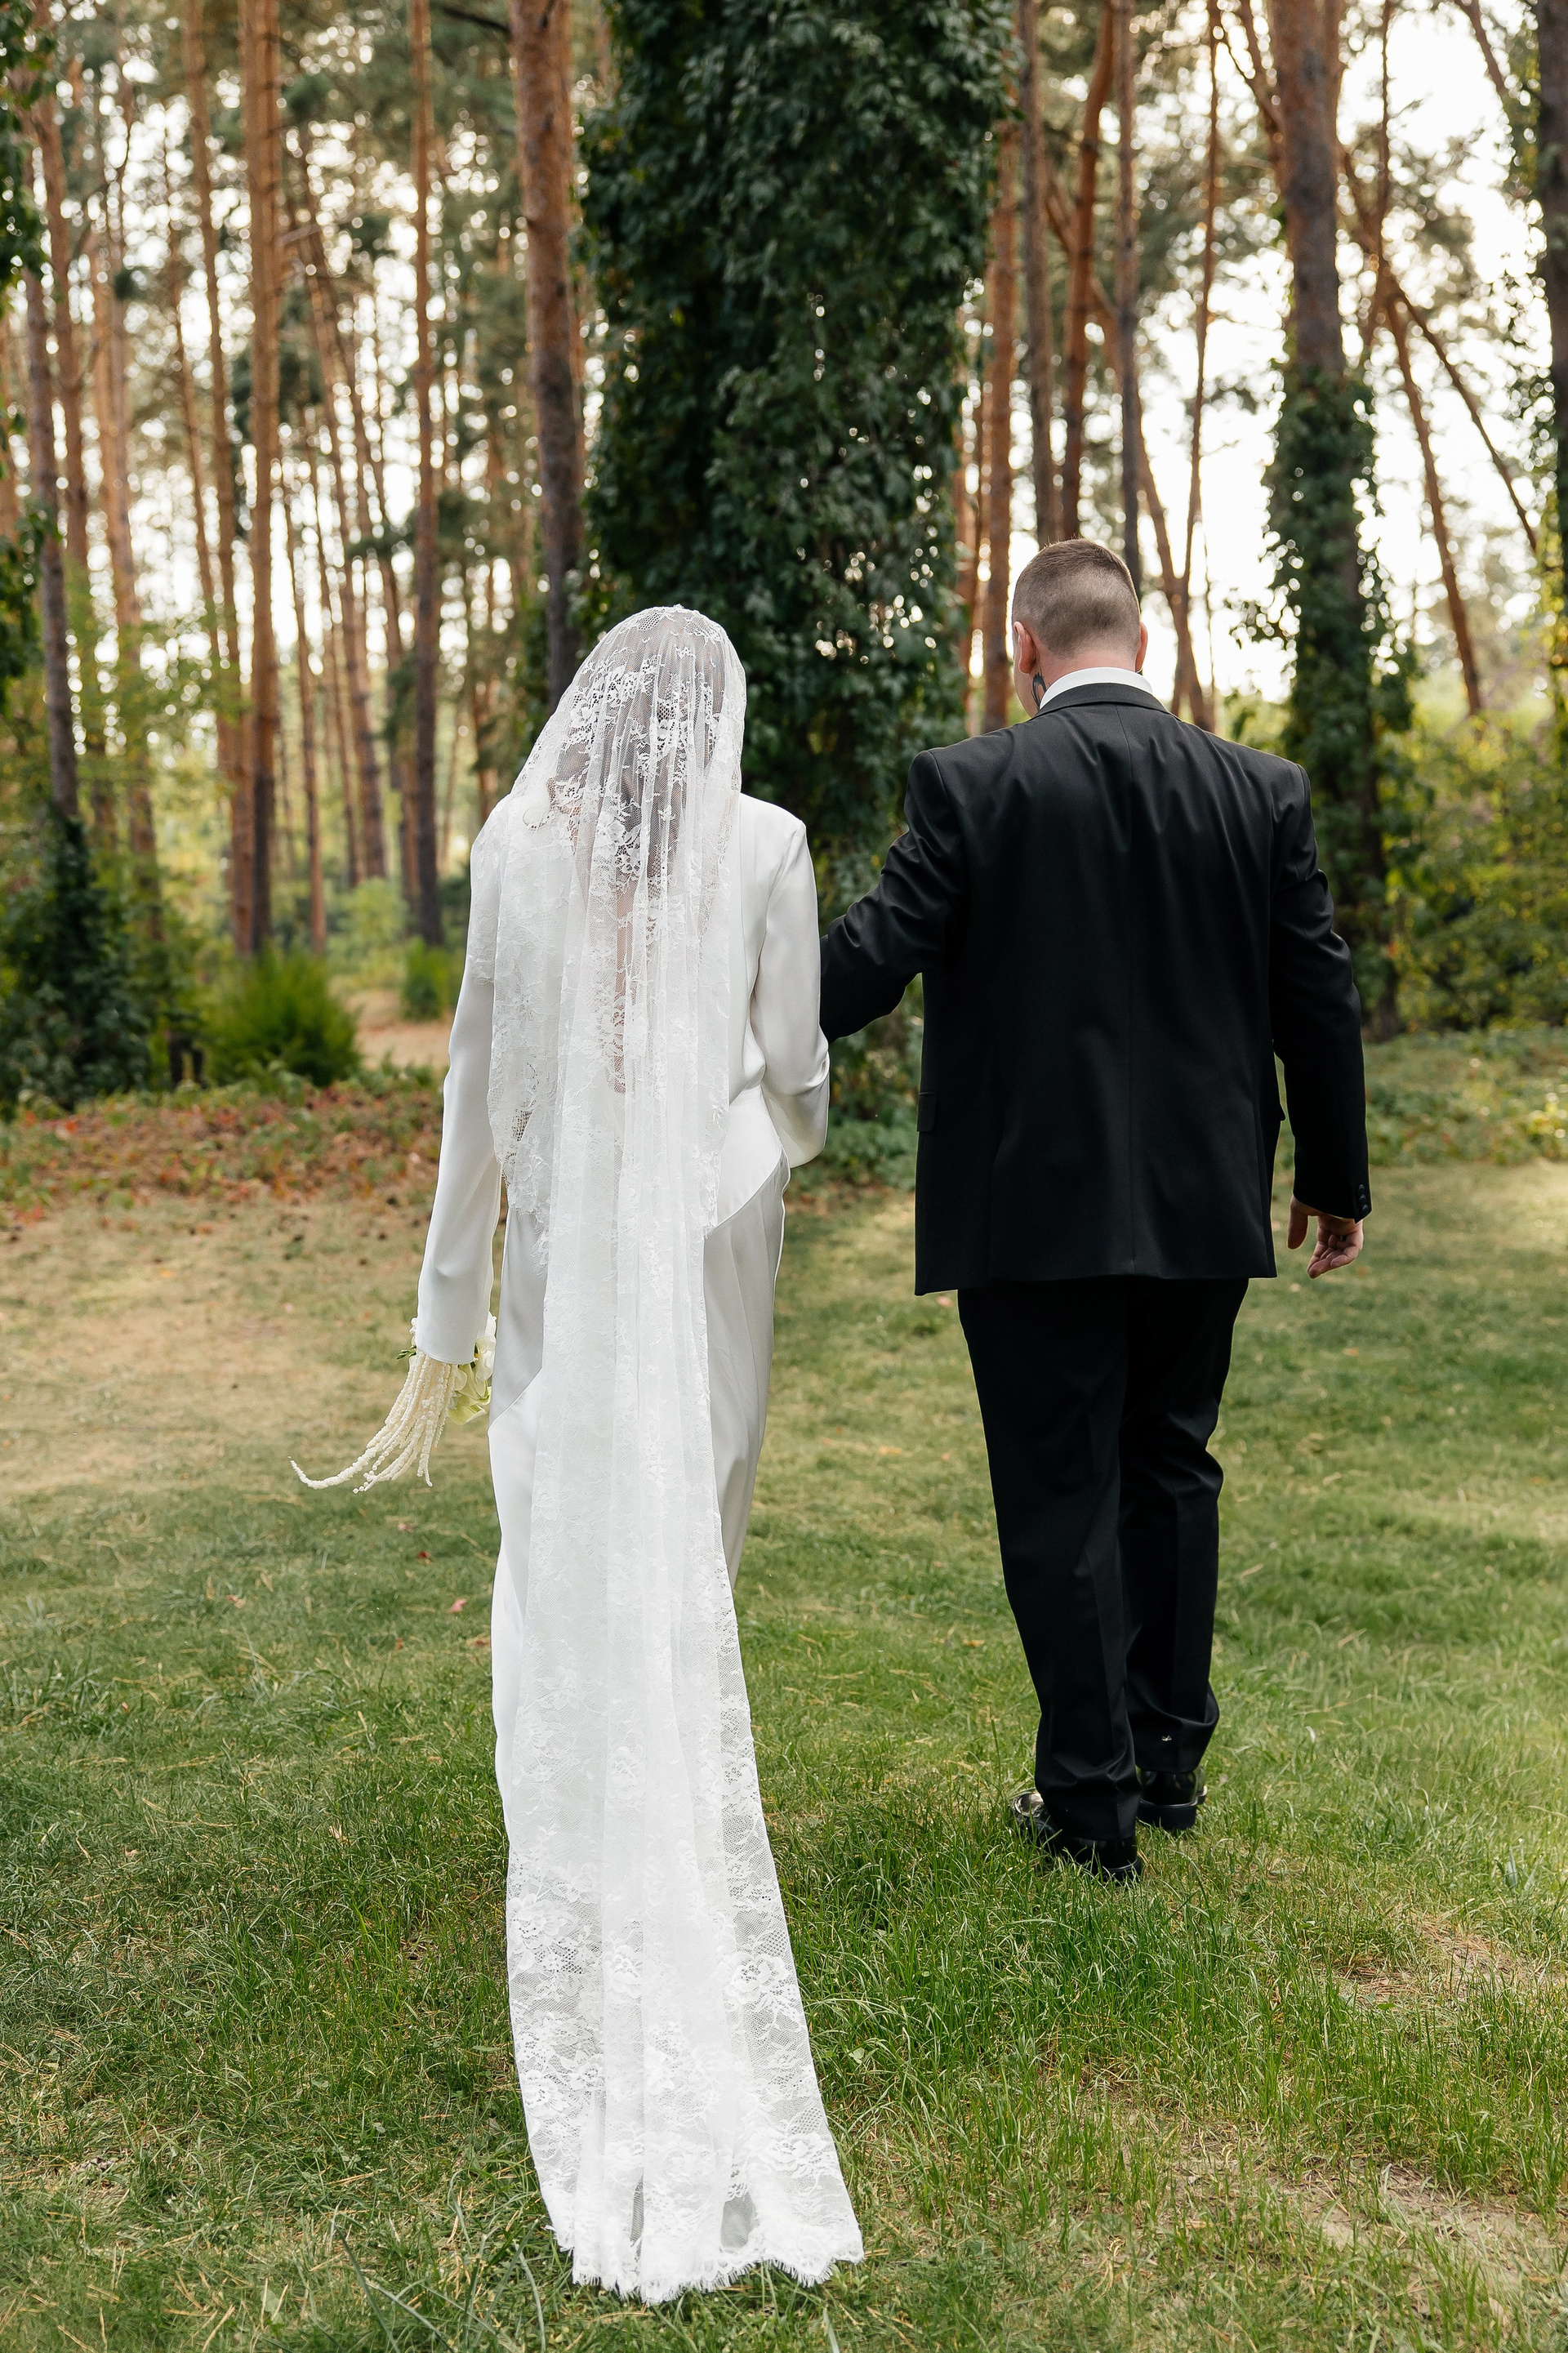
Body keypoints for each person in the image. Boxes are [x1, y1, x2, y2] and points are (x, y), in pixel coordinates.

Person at [298, 608, 862, 2301]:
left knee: (558, 1513)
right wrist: (771, 1140)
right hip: (707, 1224)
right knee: (694, 1511)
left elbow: (475, 1086)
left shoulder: (512, 848)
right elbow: (798, 1069)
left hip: (558, 1236)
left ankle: (597, 1815)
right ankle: (649, 1805)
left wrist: (446, 1308)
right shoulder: (767, 842)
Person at [818, 539, 1370, 1886]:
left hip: (1031, 1211)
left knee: (1061, 1489)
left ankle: (1090, 1806)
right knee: (1171, 1464)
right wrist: (1333, 1179)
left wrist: (712, 973)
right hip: (1204, 1198)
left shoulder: (972, 784)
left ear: (1025, 648)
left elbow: (863, 968)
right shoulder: (1260, 790)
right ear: (1142, 641)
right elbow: (1318, 993)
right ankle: (1164, 1769)